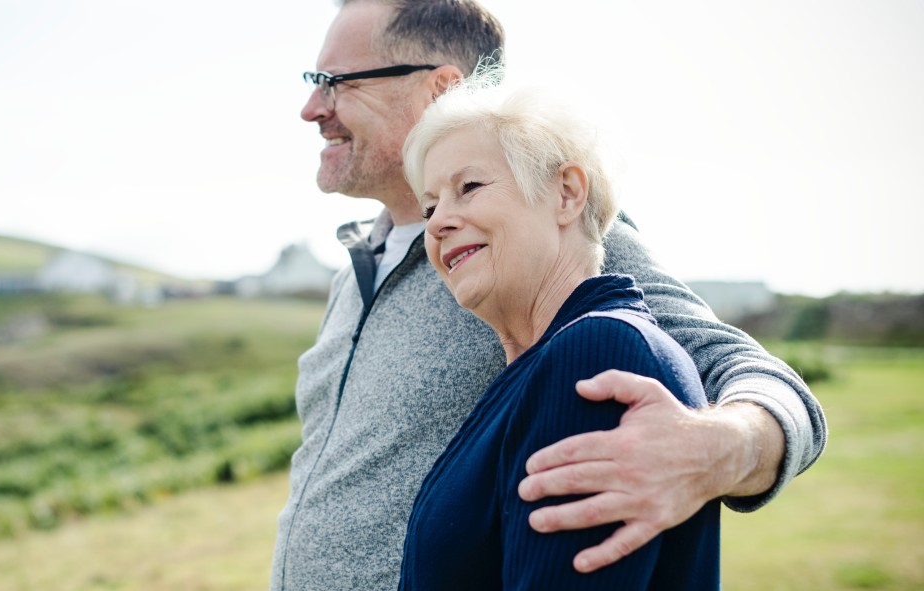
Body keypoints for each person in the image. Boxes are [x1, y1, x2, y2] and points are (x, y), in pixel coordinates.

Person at [271, 1, 826, 589]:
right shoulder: (357, 266)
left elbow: (749, 373)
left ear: (441, 89)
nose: (312, 109)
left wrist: (721, 450)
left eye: (335, 83)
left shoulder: (545, 235)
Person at [398, 71, 719, 589]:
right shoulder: (534, 371)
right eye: (431, 206)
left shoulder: (596, 354)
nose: (436, 224)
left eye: (469, 187)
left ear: (566, 194)